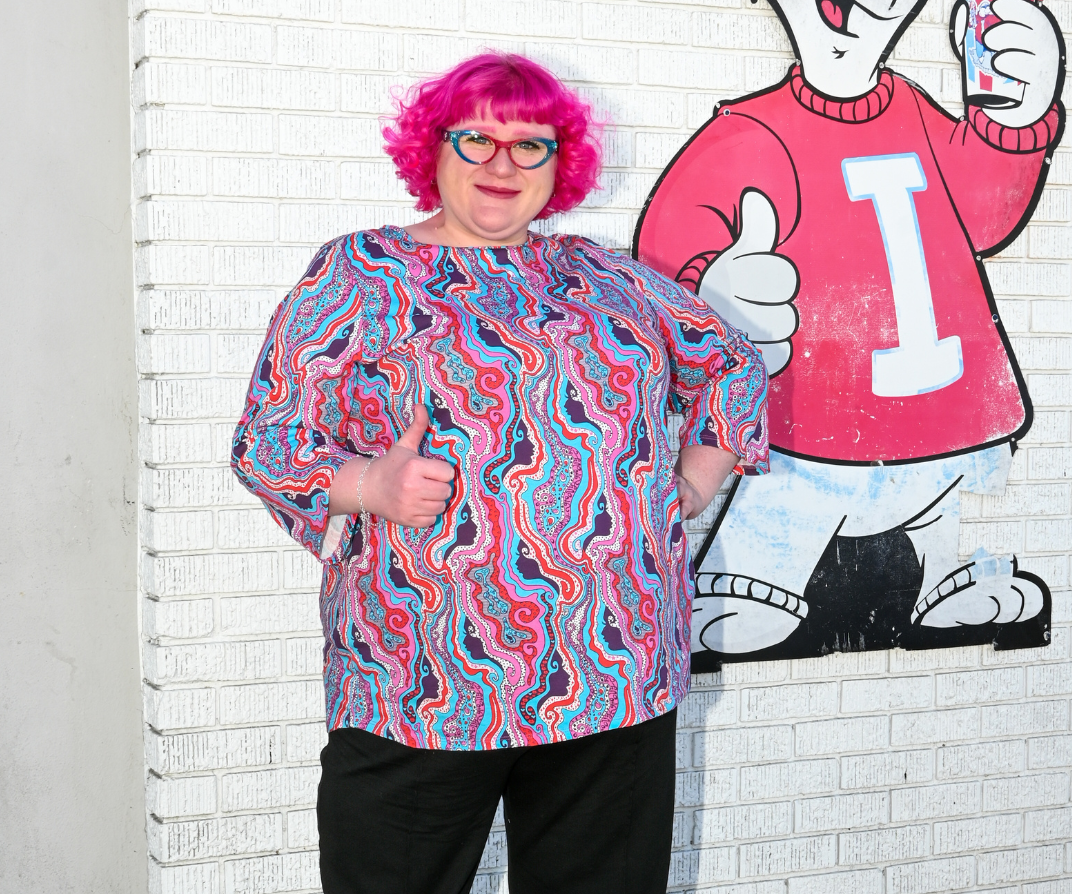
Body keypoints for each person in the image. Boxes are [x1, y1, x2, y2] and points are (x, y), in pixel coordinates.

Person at [231, 52, 769, 894]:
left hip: (614, 669)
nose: (501, 165)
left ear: (560, 167)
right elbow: (266, 437)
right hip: (420, 679)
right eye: (475, 138)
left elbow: (731, 362)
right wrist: (367, 486)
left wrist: (691, 483)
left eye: (530, 146)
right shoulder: (358, 274)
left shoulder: (603, 275)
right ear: (431, 150)